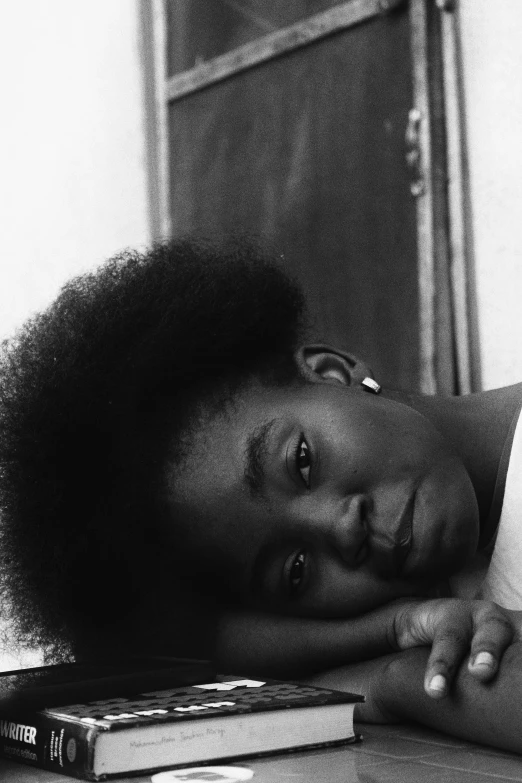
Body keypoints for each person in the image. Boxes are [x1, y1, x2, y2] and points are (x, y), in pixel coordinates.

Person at [0, 238, 520, 751]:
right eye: (295, 569)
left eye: (301, 461)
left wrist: (397, 682)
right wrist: (386, 660)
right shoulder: (453, 607)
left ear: (331, 370)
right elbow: (197, 642)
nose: (341, 528)